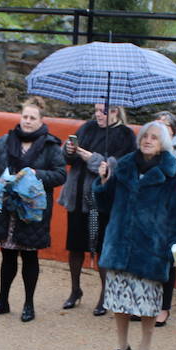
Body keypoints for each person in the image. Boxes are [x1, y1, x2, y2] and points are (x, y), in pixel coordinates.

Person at [93, 121, 176, 350]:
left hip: (152, 248)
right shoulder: (123, 167)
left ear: (163, 144)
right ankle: (122, 346)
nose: (148, 140)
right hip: (119, 244)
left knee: (148, 304)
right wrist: (103, 183)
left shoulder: (173, 175)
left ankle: (145, 349)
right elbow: (104, 206)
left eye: (154, 138)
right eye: (145, 136)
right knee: (119, 300)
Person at [0, 96, 66, 322]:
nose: (27, 121)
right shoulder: (7, 140)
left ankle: (28, 304)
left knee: (30, 258)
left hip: (32, 212)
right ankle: (2, 301)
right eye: (24, 116)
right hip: (7, 209)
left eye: (32, 118)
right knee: (7, 257)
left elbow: (61, 174)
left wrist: (37, 174)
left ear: (41, 120)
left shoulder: (50, 146)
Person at [58, 103, 136, 314]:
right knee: (74, 246)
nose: (98, 114)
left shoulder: (125, 135)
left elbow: (119, 168)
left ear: (115, 111)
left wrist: (92, 159)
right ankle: (75, 290)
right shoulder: (87, 128)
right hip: (77, 196)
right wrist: (70, 150)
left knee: (102, 248)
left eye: (103, 110)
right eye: (96, 110)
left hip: (101, 200)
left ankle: (105, 294)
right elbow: (65, 158)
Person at [154, 110, 176, 327]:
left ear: (173, 131)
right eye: (157, 124)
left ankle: (164, 307)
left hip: (169, 215)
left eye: (165, 125)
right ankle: (147, 303)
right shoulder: (147, 150)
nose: (160, 128)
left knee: (167, 260)